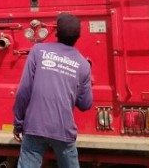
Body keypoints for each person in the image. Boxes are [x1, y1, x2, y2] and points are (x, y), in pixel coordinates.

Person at [13, 13, 93, 167]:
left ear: (56, 33)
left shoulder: (38, 51)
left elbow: (23, 91)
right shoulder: (83, 65)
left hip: (34, 127)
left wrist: (18, 124)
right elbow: (85, 104)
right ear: (78, 36)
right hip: (64, 130)